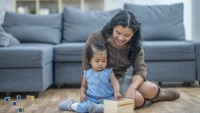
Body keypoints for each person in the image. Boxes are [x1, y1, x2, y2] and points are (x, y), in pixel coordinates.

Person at [59, 9, 180, 112]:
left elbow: (140, 70)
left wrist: (132, 88)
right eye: (118, 33)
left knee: (151, 88)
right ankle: (148, 98)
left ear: (134, 34)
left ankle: (158, 96)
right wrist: (88, 92)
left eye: (127, 35)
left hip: (121, 80)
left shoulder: (135, 45)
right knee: (137, 99)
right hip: (101, 84)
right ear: (112, 27)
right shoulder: (96, 38)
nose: (121, 38)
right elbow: (86, 68)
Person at [58, 42, 122, 113]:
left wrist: (116, 92)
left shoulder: (109, 72)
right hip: (91, 99)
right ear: (88, 60)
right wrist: (82, 94)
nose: (100, 63)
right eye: (97, 61)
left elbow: (115, 83)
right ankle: (71, 105)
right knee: (82, 108)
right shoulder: (87, 73)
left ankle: (97, 108)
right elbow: (83, 86)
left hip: (107, 99)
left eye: (104, 61)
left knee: (112, 107)